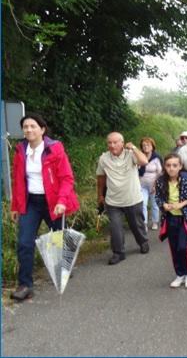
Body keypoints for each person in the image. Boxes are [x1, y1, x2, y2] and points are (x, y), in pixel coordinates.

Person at [9, 114, 80, 301]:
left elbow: (67, 178)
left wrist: (62, 201)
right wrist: (15, 206)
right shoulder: (20, 151)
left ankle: (63, 265)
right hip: (30, 202)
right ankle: (25, 284)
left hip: (53, 202)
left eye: (33, 126)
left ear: (42, 129)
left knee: (58, 238)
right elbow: (18, 181)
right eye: (25, 127)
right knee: (24, 242)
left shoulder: (54, 150)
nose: (29, 130)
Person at [97, 132, 150, 265]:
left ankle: (143, 242)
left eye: (115, 142)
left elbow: (144, 161)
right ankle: (118, 253)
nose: (112, 145)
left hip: (132, 198)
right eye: (110, 143)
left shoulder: (131, 155)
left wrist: (133, 147)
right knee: (115, 227)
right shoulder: (104, 158)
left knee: (136, 225)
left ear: (122, 142)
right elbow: (101, 177)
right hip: (113, 200)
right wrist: (100, 195)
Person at [155, 153, 187, 289]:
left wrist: (182, 204)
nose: (171, 169)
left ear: (180, 166)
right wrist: (164, 205)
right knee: (174, 247)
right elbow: (158, 198)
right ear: (164, 167)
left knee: (182, 246)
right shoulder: (161, 181)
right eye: (168, 165)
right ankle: (180, 274)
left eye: (175, 165)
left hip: (184, 218)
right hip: (170, 218)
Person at [139, 137, 163, 231]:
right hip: (141, 184)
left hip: (154, 184)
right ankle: (144, 223)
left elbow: (160, 173)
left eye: (148, 145)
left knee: (154, 204)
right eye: (143, 145)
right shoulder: (139, 157)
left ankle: (154, 221)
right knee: (143, 204)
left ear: (152, 146)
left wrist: (155, 185)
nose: (145, 147)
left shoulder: (156, 157)